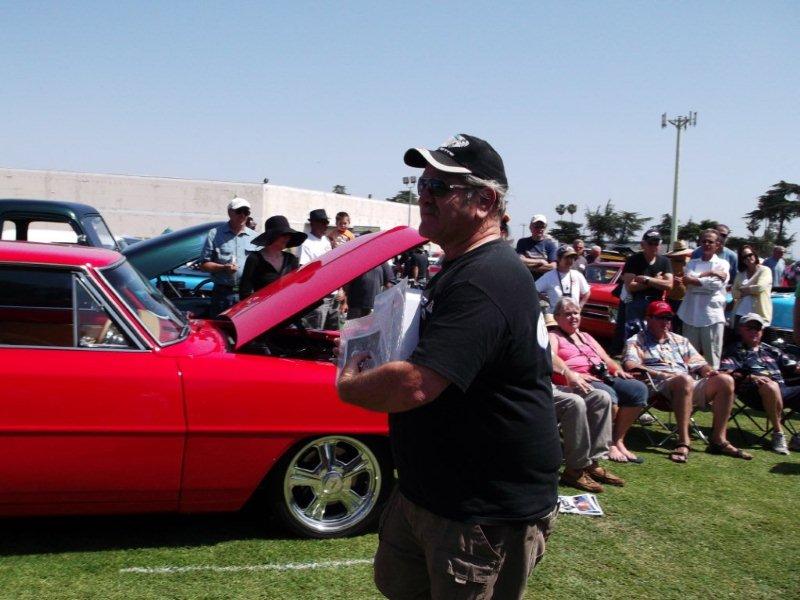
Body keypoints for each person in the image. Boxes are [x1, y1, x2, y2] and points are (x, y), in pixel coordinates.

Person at [337, 133, 560, 600]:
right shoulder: (463, 268)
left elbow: (415, 386)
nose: (423, 195)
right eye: (422, 183)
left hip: (479, 512)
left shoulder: (486, 277)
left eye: (439, 187)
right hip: (433, 494)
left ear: (485, 201)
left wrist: (348, 383)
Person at [623, 301, 752, 463]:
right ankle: (683, 441)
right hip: (657, 386)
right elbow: (630, 364)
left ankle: (718, 440)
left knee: (725, 380)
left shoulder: (680, 341)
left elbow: (700, 364)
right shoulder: (637, 340)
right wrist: (659, 374)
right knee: (684, 379)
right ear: (648, 318)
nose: (666, 322)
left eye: (668, 318)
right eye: (660, 318)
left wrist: (709, 371)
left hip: (687, 383)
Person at [550, 298, 649, 464]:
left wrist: (617, 370)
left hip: (602, 376)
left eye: (576, 313)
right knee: (608, 395)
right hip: (580, 379)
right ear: (557, 317)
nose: (573, 317)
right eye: (568, 314)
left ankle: (618, 440)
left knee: (638, 389)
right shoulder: (554, 336)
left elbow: (606, 358)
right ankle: (608, 444)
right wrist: (573, 374)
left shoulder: (586, 336)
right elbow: (551, 358)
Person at [720, 313, 800, 454]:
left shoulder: (771, 350)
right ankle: (778, 433)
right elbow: (726, 371)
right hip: (755, 394)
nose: (753, 331)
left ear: (762, 331)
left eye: (757, 328)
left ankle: (798, 438)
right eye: (749, 328)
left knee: (775, 385)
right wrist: (752, 377)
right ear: (740, 330)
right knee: (770, 386)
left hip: (783, 390)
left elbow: (794, 367)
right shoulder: (735, 350)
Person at [550, 350, 624, 493]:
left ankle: (592, 464)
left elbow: (551, 355)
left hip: (550, 386)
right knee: (574, 402)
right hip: (529, 389)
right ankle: (575, 469)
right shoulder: (513, 334)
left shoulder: (536, 332)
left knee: (601, 397)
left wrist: (568, 373)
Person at [677, 228, 730, 368]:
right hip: (690, 315)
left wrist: (694, 279)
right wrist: (710, 273)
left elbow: (715, 285)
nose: (706, 244)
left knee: (712, 357)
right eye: (704, 241)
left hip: (711, 317)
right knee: (689, 358)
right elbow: (686, 280)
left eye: (710, 242)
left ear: (717, 245)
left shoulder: (723, 264)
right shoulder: (692, 263)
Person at [200, 197, 257, 316]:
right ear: (230, 212)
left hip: (247, 294)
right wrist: (223, 268)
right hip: (222, 294)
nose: (242, 215)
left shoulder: (255, 237)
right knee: (221, 329)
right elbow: (204, 264)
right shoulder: (215, 234)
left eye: (246, 212)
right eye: (239, 211)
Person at [239, 216, 305, 300]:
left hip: (287, 308)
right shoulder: (255, 259)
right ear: (272, 236)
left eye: (289, 235)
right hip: (263, 309)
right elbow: (245, 292)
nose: (287, 238)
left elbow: (296, 289)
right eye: (284, 234)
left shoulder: (291, 259)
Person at [621, 228, 673, 332]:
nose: (654, 246)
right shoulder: (633, 260)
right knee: (634, 337)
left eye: (656, 243)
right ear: (643, 244)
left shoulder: (665, 261)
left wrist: (647, 280)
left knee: (657, 334)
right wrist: (656, 281)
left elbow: (669, 285)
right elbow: (630, 286)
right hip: (637, 303)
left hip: (657, 303)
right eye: (650, 243)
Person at [298, 209, 335, 328]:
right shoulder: (305, 242)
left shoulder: (326, 241)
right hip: (318, 295)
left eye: (326, 222)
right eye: (323, 222)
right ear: (313, 223)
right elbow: (304, 271)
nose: (326, 225)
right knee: (316, 330)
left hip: (332, 293)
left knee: (333, 331)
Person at [535, 245, 591, 313]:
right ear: (559, 259)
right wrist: (546, 300)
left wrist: (580, 306)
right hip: (555, 317)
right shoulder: (549, 276)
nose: (570, 260)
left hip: (572, 317)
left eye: (572, 257)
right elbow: (534, 290)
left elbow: (587, 292)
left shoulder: (577, 275)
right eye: (567, 257)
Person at [731, 244, 772, 327]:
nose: (748, 258)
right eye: (744, 257)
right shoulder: (740, 274)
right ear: (741, 260)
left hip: (758, 316)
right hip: (739, 314)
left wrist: (742, 290)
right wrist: (750, 290)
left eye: (750, 255)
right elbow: (734, 293)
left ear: (754, 255)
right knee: (737, 340)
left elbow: (760, 287)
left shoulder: (765, 270)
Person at [516, 214, 557, 280]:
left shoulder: (550, 244)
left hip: (544, 282)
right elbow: (520, 260)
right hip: (526, 281)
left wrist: (528, 266)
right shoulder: (522, 242)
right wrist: (540, 261)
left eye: (542, 227)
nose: (540, 229)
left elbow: (553, 267)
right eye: (537, 226)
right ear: (530, 227)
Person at [665, 240, 692, 333]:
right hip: (671, 299)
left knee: (685, 326)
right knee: (672, 325)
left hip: (686, 299)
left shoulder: (690, 262)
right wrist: (672, 282)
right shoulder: (668, 263)